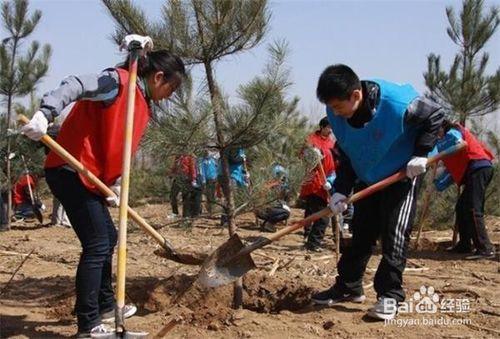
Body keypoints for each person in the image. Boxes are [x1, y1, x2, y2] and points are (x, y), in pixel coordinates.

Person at [21, 35, 186, 337]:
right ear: (158, 76)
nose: (170, 96)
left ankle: (107, 306)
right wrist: (46, 112)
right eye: (171, 88)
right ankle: (88, 324)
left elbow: (113, 146)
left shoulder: (140, 103)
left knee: (107, 237)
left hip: (92, 180)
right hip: (70, 171)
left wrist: (113, 186)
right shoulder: (117, 83)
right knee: (97, 244)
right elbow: (74, 84)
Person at [311, 64, 443, 321]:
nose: (335, 113)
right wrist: (340, 190)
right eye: (332, 108)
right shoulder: (336, 113)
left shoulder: (398, 104)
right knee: (362, 232)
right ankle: (348, 287)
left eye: (339, 107)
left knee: (394, 232)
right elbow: (348, 151)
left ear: (356, 95)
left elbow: (436, 116)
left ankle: (390, 295)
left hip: (402, 174)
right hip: (369, 175)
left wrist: (421, 153)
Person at [434, 119, 495, 260]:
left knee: (473, 208)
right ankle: (465, 244)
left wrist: (437, 154)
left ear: (443, 126)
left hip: (479, 168)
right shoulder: (445, 143)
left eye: (437, 130)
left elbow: (459, 142)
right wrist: (438, 183)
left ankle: (485, 248)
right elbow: (451, 172)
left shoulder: (454, 131)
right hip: (473, 172)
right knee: (461, 207)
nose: (436, 134)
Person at [299, 117, 336, 252]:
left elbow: (333, 164)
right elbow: (302, 157)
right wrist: (312, 155)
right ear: (322, 127)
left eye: (332, 128)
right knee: (323, 216)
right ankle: (313, 243)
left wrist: (331, 180)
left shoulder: (331, 143)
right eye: (328, 127)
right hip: (313, 183)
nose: (331, 130)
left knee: (316, 212)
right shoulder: (311, 140)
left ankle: (310, 239)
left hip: (325, 183)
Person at [169, 153, 198, 218]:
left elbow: (192, 168)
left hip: (186, 178)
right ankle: (175, 212)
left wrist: (193, 179)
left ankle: (186, 215)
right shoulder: (177, 157)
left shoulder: (189, 157)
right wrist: (171, 174)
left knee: (186, 197)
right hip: (177, 178)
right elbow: (174, 167)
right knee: (172, 195)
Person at [198, 149, 219, 216]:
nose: (207, 153)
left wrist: (217, 176)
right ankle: (209, 210)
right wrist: (203, 179)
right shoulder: (202, 161)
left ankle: (212, 210)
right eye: (205, 152)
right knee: (208, 195)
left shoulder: (213, 159)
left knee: (213, 195)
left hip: (214, 179)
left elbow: (217, 168)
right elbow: (202, 171)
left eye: (208, 151)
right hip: (207, 180)